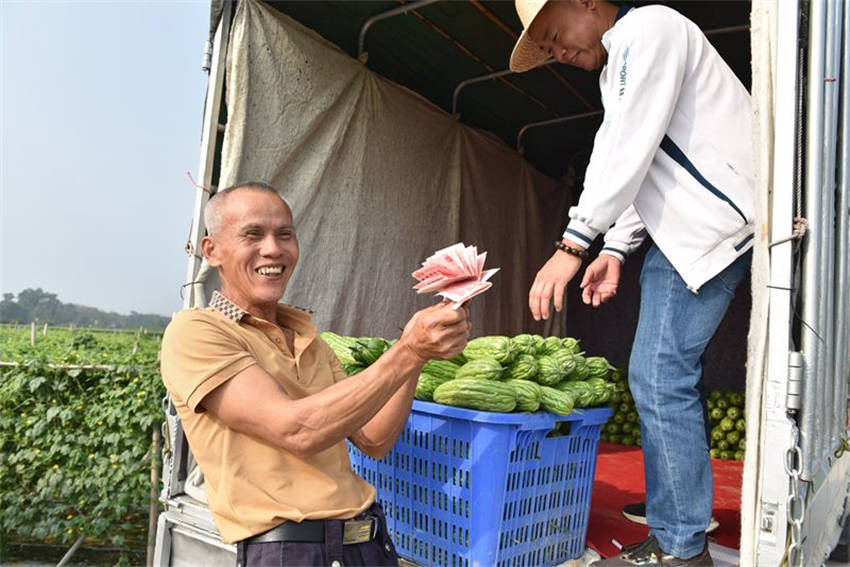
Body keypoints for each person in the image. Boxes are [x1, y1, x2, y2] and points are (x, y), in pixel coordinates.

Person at [509, 1, 753, 565]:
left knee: (660, 375)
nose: (560, 54)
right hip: (691, 234)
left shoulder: (647, 29)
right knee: (657, 375)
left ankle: (681, 545)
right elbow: (649, 160)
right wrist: (615, 248)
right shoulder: (631, 53)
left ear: (586, 3)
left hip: (713, 228)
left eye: (553, 34)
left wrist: (575, 243)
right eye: (548, 51)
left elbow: (626, 145)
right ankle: (677, 534)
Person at [160, 181, 470, 567]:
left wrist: (418, 357)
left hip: (368, 544)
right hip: (292, 553)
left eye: (285, 234)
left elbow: (374, 439)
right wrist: (406, 351)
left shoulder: (311, 340)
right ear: (212, 250)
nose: (273, 248)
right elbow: (298, 431)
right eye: (252, 234)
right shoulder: (197, 332)